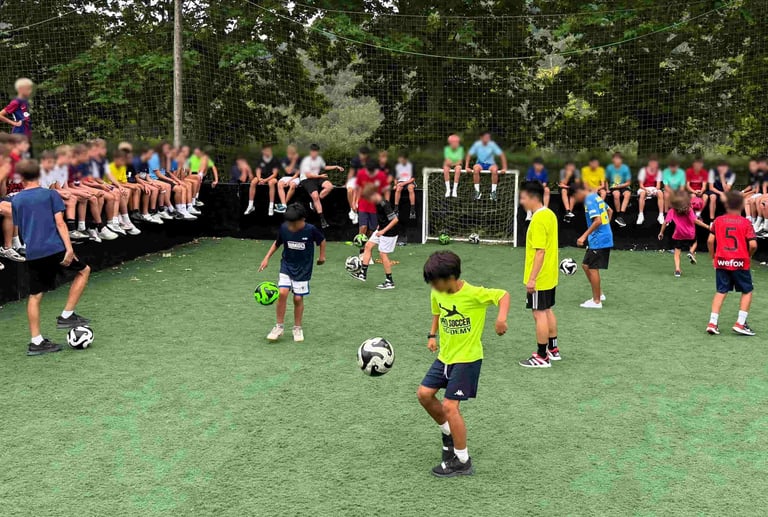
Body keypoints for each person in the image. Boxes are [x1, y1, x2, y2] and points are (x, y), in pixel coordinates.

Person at [417, 251, 509, 477]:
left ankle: (462, 460)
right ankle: (448, 433)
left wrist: (501, 318)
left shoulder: (474, 294)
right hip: (445, 357)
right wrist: (431, 336)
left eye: (436, 282)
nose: (434, 287)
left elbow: (503, 295)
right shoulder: (436, 292)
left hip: (468, 359)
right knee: (424, 394)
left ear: (451, 278)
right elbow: (437, 313)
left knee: (450, 406)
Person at [11, 159, 91, 355]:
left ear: (21, 178)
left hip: (33, 252)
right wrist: (69, 249)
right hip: (54, 248)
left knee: (35, 296)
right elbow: (60, 223)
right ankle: (67, 315)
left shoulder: (17, 200)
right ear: (39, 175)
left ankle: (36, 342)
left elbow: (20, 225)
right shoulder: (50, 194)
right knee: (84, 270)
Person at [259, 204, 326, 343]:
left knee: (297, 299)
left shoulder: (311, 230)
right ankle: (279, 326)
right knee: (282, 293)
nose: (291, 226)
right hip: (287, 265)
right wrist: (266, 258)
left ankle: (297, 327)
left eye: (294, 223)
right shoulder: (284, 228)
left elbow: (322, 241)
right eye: (289, 223)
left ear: (303, 219)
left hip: (303, 269)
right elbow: (277, 243)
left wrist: (322, 257)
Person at [518, 182, 560, 368]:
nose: (522, 201)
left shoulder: (538, 220)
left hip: (540, 278)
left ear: (533, 197)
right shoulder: (550, 214)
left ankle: (542, 356)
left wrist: (532, 278)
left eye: (523, 197)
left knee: (539, 313)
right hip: (550, 275)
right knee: (548, 309)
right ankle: (553, 349)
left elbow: (540, 251)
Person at [706, 192, 757, 336]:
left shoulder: (718, 220)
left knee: (721, 291)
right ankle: (740, 323)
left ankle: (712, 322)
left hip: (722, 260)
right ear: (741, 205)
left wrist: (713, 257)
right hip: (740, 262)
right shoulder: (746, 223)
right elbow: (753, 244)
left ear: (726, 205)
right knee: (747, 291)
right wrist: (748, 257)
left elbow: (710, 241)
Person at [349, 184, 399, 289]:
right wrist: (379, 226)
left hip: (389, 231)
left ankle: (389, 281)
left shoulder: (384, 203)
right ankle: (363, 273)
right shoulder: (375, 203)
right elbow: (382, 217)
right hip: (381, 228)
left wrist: (383, 231)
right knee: (368, 246)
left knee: (383, 254)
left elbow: (395, 220)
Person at [572, 184, 613, 309]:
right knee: (586, 266)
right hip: (600, 237)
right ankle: (599, 294)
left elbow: (598, 220)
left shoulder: (589, 200)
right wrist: (607, 228)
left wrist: (583, 236)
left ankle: (596, 301)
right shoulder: (595, 197)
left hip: (599, 239)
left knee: (592, 268)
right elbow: (610, 210)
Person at [658, 192, 710, 277]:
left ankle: (677, 270)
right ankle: (691, 252)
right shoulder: (689, 209)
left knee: (677, 252)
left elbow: (665, 222)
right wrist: (707, 226)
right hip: (690, 234)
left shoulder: (672, 210)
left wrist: (661, 233)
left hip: (678, 234)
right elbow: (695, 221)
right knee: (694, 243)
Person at [299, 144, 343, 229]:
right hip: (306, 179)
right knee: (315, 196)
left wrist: (336, 167)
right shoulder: (306, 161)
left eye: (316, 152)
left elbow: (324, 167)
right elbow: (308, 175)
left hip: (317, 177)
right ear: (310, 152)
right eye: (313, 152)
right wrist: (320, 176)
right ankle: (322, 219)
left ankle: (314, 203)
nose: (315, 154)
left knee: (329, 186)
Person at [464, 131, 507, 201]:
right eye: (486, 137)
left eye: (488, 137)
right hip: (480, 164)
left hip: (490, 164)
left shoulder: (492, 144)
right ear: (481, 138)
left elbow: (501, 155)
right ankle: (477, 192)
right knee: (475, 168)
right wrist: (466, 167)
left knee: (494, 169)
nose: (487, 139)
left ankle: (493, 192)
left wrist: (504, 168)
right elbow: (469, 154)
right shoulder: (477, 144)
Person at [245, 144, 282, 216]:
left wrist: (265, 180)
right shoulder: (260, 159)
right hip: (262, 177)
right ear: (263, 151)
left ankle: (271, 207)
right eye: (266, 150)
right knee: (253, 182)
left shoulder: (275, 160)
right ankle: (250, 205)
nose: (268, 152)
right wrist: (259, 179)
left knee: (271, 183)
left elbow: (274, 174)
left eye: (269, 150)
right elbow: (258, 171)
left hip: (272, 177)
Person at [356, 159, 389, 238]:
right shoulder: (361, 173)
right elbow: (358, 188)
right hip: (363, 205)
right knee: (363, 227)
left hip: (375, 207)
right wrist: (355, 202)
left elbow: (387, 190)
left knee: (373, 229)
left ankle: (367, 244)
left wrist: (387, 203)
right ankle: (361, 247)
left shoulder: (382, 175)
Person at [636, 156, 665, 225]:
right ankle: (640, 215)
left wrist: (654, 190)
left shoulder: (659, 172)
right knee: (642, 193)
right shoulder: (643, 171)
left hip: (653, 188)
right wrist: (645, 190)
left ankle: (661, 215)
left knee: (660, 192)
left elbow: (658, 186)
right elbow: (641, 185)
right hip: (643, 188)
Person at [606, 152, 631, 227]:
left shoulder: (625, 168)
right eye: (615, 158)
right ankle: (618, 215)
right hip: (614, 187)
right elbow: (606, 180)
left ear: (621, 160)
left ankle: (621, 216)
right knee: (616, 194)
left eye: (618, 159)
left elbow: (628, 182)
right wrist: (607, 189)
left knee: (627, 194)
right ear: (613, 159)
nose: (617, 160)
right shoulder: (609, 168)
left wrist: (620, 186)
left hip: (623, 186)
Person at [346, 146, 369, 223]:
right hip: (354, 179)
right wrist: (347, 182)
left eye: (364, 154)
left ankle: (355, 207)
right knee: (349, 191)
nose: (363, 156)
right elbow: (351, 172)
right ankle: (352, 209)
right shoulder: (355, 160)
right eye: (362, 154)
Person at [276, 144, 301, 211]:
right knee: (279, 184)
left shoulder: (299, 160)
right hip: (286, 177)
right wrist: (293, 161)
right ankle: (284, 205)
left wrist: (289, 181)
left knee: (292, 185)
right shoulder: (284, 160)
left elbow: (297, 173)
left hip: (295, 177)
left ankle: (284, 205)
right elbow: (288, 171)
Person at [393, 151, 416, 219]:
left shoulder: (411, 166)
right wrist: (396, 184)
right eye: (400, 158)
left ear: (405, 159)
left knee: (410, 188)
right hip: (400, 183)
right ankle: (396, 210)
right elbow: (395, 178)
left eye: (402, 158)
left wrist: (404, 183)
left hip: (409, 182)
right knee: (398, 189)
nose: (400, 160)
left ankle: (412, 210)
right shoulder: (397, 166)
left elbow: (413, 179)